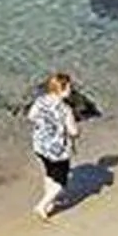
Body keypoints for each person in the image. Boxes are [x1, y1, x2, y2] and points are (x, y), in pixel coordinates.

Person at [27, 71, 79, 218]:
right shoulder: (65, 110)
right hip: (58, 150)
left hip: (40, 145)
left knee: (49, 172)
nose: (71, 90)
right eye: (69, 87)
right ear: (61, 89)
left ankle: (49, 200)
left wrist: (45, 123)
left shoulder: (40, 101)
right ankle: (43, 205)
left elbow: (31, 116)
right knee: (61, 181)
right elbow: (73, 131)